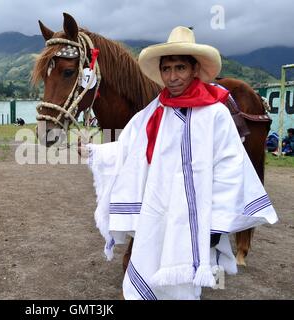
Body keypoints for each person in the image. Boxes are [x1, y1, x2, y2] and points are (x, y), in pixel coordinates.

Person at [80, 26, 278, 300]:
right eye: (167, 68)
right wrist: (93, 152)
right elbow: (128, 149)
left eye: (180, 68)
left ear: (194, 69)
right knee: (145, 270)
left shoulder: (215, 115)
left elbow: (230, 170)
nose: (172, 77)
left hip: (194, 217)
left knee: (183, 287)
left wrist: (216, 225)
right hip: (156, 211)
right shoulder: (154, 111)